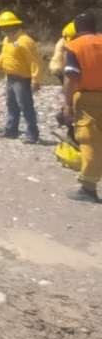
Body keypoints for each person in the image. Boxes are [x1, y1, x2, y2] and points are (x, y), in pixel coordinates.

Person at [62, 12, 102, 203]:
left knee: (89, 141)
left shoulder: (75, 47)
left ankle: (88, 188)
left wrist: (67, 104)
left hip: (87, 98)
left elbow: (72, 79)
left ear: (76, 28)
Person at [0, 11, 42, 143]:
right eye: (2, 27)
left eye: (6, 27)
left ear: (14, 25)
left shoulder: (25, 41)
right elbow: (3, 56)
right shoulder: (7, 40)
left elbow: (34, 61)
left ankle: (32, 134)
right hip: (10, 78)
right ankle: (11, 130)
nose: (3, 30)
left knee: (25, 106)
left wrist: (36, 80)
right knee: (11, 104)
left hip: (22, 79)